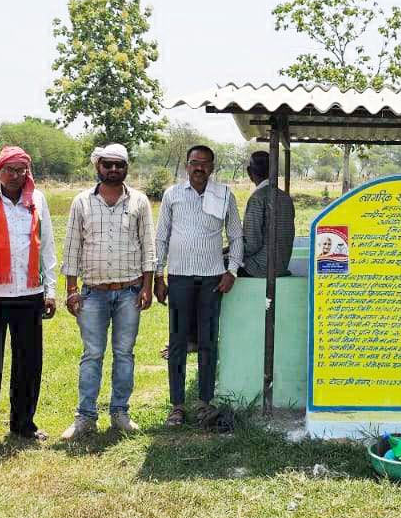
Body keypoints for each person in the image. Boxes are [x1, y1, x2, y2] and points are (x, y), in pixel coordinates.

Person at [61, 144, 155, 439]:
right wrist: (72, 289)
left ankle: (120, 413)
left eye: (119, 165)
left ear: (127, 168)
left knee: (125, 354)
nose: (113, 170)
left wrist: (147, 286)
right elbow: (73, 246)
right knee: (92, 354)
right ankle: (85, 417)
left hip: (129, 291)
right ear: (97, 167)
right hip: (92, 294)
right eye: (108, 165)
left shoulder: (139, 201)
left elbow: (148, 246)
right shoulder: (82, 202)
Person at [0, 146, 57, 448]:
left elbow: (46, 246)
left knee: (29, 363)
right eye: (10, 170)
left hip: (30, 293)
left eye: (22, 170)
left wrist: (51, 290)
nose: (17, 176)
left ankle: (23, 424)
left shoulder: (38, 198)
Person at [154, 145, 243, 427]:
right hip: (179, 277)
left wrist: (232, 271)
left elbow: (237, 236)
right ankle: (177, 406)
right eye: (194, 163)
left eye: (205, 164)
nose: (199, 168)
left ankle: (205, 402)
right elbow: (161, 238)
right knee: (178, 342)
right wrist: (158, 275)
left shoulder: (224, 194)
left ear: (212, 167)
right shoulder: (172, 195)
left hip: (212, 280)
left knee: (207, 343)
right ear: (186, 166)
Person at [240, 151, 294, 279]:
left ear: (249, 172)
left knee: (216, 268)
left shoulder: (257, 198)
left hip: (259, 268)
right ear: (273, 171)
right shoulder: (285, 197)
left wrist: (231, 250)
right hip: (281, 266)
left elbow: (252, 245)